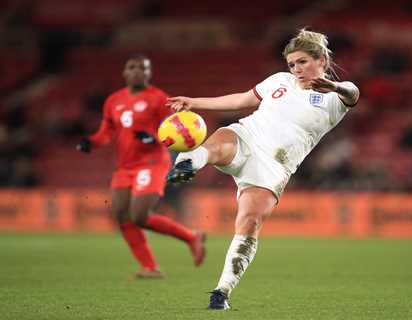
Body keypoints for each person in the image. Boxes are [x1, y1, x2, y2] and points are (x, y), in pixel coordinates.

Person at [166, 29, 360, 309]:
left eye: (303, 62)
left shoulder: (334, 99)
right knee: (220, 142)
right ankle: (186, 165)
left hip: (274, 165)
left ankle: (221, 292)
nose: (296, 69)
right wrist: (194, 102)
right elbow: (241, 100)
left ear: (321, 60)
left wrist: (334, 87)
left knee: (249, 222)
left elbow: (353, 93)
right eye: (292, 64)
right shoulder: (280, 81)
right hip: (248, 135)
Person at [76, 54, 206, 279]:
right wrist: (92, 142)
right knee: (120, 214)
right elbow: (107, 131)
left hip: (152, 162)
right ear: (125, 72)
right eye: (132, 67)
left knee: (139, 215)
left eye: (142, 68)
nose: (137, 71)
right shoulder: (114, 100)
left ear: (149, 72)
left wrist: (153, 139)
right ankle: (151, 267)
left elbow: (174, 129)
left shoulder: (158, 98)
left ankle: (190, 237)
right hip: (125, 166)